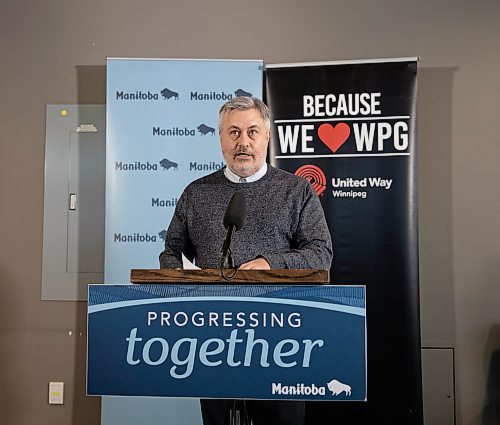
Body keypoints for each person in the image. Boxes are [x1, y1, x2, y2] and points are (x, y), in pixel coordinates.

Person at [159, 96, 333, 425]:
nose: (244, 142)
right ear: (221, 138)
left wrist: (268, 264)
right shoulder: (196, 193)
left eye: (253, 132)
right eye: (234, 133)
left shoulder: (296, 190)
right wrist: (179, 285)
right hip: (212, 340)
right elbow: (172, 252)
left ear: (267, 137)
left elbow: (320, 253)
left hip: (282, 340)